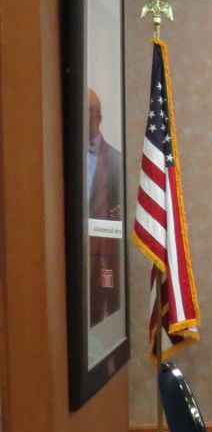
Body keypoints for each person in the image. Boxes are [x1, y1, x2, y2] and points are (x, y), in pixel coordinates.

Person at [87, 88, 123, 325]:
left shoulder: (117, 161)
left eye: (86, 112)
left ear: (98, 117)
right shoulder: (56, 159)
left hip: (103, 258)